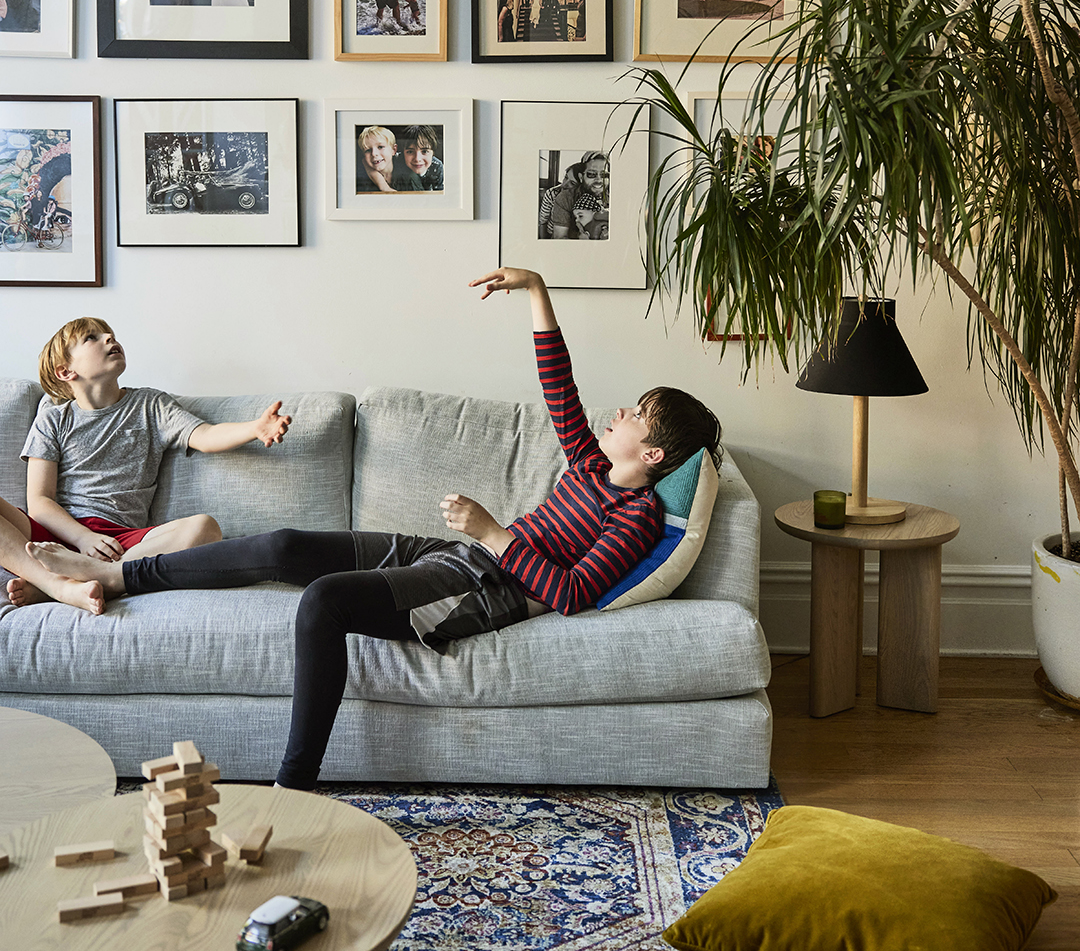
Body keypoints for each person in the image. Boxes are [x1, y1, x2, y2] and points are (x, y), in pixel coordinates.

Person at [23, 268, 722, 791]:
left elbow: (570, 592)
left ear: (654, 455)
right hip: (463, 552)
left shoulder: (638, 518)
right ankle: (118, 574)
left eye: (635, 414)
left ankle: (294, 786)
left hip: (486, 583)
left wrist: (493, 532)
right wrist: (537, 291)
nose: (618, 413)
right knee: (284, 546)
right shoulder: (590, 463)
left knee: (323, 600)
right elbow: (559, 386)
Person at [2, 317, 291, 611]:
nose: (108, 339)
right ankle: (56, 585)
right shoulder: (53, 418)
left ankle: (98, 579)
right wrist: (83, 538)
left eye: (109, 334)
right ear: (66, 371)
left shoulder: (150, 405)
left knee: (206, 528)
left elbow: (204, 435)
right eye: (92, 338)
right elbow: (39, 500)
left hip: (123, 542)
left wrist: (254, 428)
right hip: (59, 535)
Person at [539, 152, 608, 240]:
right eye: (591, 174)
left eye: (604, 175)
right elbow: (557, 235)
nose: (599, 180)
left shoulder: (617, 195)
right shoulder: (562, 197)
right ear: (581, 177)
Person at [355, 126, 424, 194]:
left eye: (380, 147)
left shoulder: (410, 177)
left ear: (393, 150)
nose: (373, 154)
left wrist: (385, 188)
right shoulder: (360, 179)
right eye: (368, 150)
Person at [399, 125, 444, 192]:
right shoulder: (397, 160)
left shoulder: (437, 166)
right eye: (410, 152)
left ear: (433, 153)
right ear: (403, 152)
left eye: (424, 151)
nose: (417, 158)